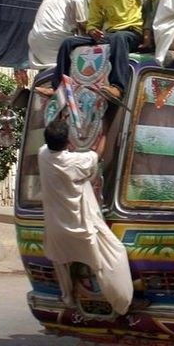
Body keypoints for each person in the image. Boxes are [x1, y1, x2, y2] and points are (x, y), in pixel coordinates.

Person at [38, 117, 134, 315]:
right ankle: (121, 302)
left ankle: (68, 298)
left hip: (56, 226)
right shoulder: (74, 162)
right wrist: (106, 129)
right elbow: (97, 154)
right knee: (113, 256)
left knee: (62, 263)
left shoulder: (42, 155)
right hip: (82, 226)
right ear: (68, 142)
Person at [48, 0, 158, 99]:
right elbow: (93, 22)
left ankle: (117, 87)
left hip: (131, 34)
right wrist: (93, 31)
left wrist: (148, 29)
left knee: (120, 38)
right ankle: (57, 87)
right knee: (68, 42)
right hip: (110, 35)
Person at [27, 0, 87, 70]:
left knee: (50, 69)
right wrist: (87, 31)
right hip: (56, 38)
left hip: (35, 39)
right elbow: (81, 19)